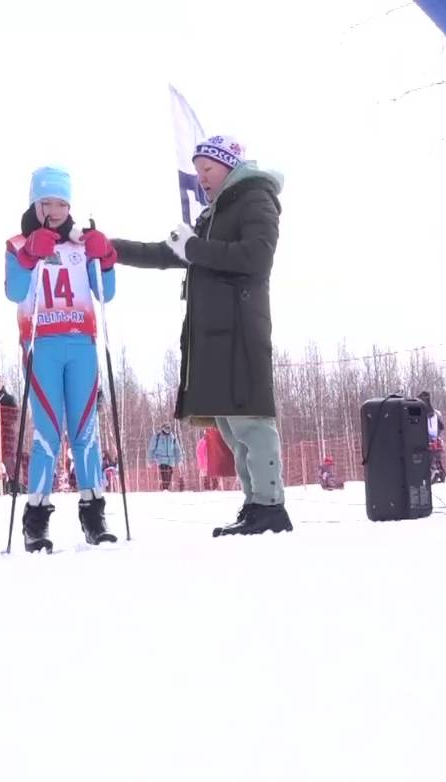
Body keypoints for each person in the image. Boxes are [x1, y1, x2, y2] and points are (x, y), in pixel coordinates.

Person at [108, 135, 293, 536]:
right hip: (212, 334)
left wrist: (195, 249)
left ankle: (271, 506)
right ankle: (255, 503)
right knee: (231, 426)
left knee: (250, 421)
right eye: (197, 171)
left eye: (207, 169)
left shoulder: (256, 199)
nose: (201, 178)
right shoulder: (212, 215)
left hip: (242, 328)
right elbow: (166, 253)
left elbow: (257, 258)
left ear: (229, 167)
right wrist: (111, 249)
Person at [3, 166, 119, 550]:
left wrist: (105, 259)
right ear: (34, 203)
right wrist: (28, 258)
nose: (53, 209)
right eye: (46, 202)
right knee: (48, 433)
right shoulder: (18, 243)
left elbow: (107, 293)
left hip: (81, 343)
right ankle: (36, 517)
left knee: (85, 430)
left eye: (61, 202)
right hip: (42, 345)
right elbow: (14, 291)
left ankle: (93, 511)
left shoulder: (81, 243)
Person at [419, 391, 446, 483]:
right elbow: (441, 426)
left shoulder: (430, 413)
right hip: (432, 438)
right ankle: (437, 472)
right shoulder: (435, 413)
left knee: (432, 457)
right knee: (435, 457)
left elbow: (441, 426)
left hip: (428, 439)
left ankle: (435, 472)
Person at [149, 423, 182, 491]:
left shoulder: (173, 437)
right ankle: (165, 489)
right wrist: (150, 460)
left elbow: (177, 449)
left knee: (169, 477)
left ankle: (164, 488)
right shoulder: (157, 437)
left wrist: (179, 459)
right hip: (161, 460)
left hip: (170, 460)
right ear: (162, 429)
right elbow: (151, 449)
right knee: (164, 475)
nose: (167, 430)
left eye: (168, 428)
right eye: (166, 428)